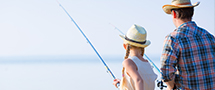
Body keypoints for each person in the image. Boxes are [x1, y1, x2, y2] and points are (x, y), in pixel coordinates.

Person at [160, 0, 215, 90]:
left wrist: (170, 87)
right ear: (192, 13)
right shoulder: (209, 36)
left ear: (174, 14)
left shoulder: (173, 38)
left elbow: (166, 71)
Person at [113, 24, 157, 90]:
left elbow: (139, 80)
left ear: (125, 46)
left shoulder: (128, 62)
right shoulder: (147, 64)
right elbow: (142, 82)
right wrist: (122, 83)